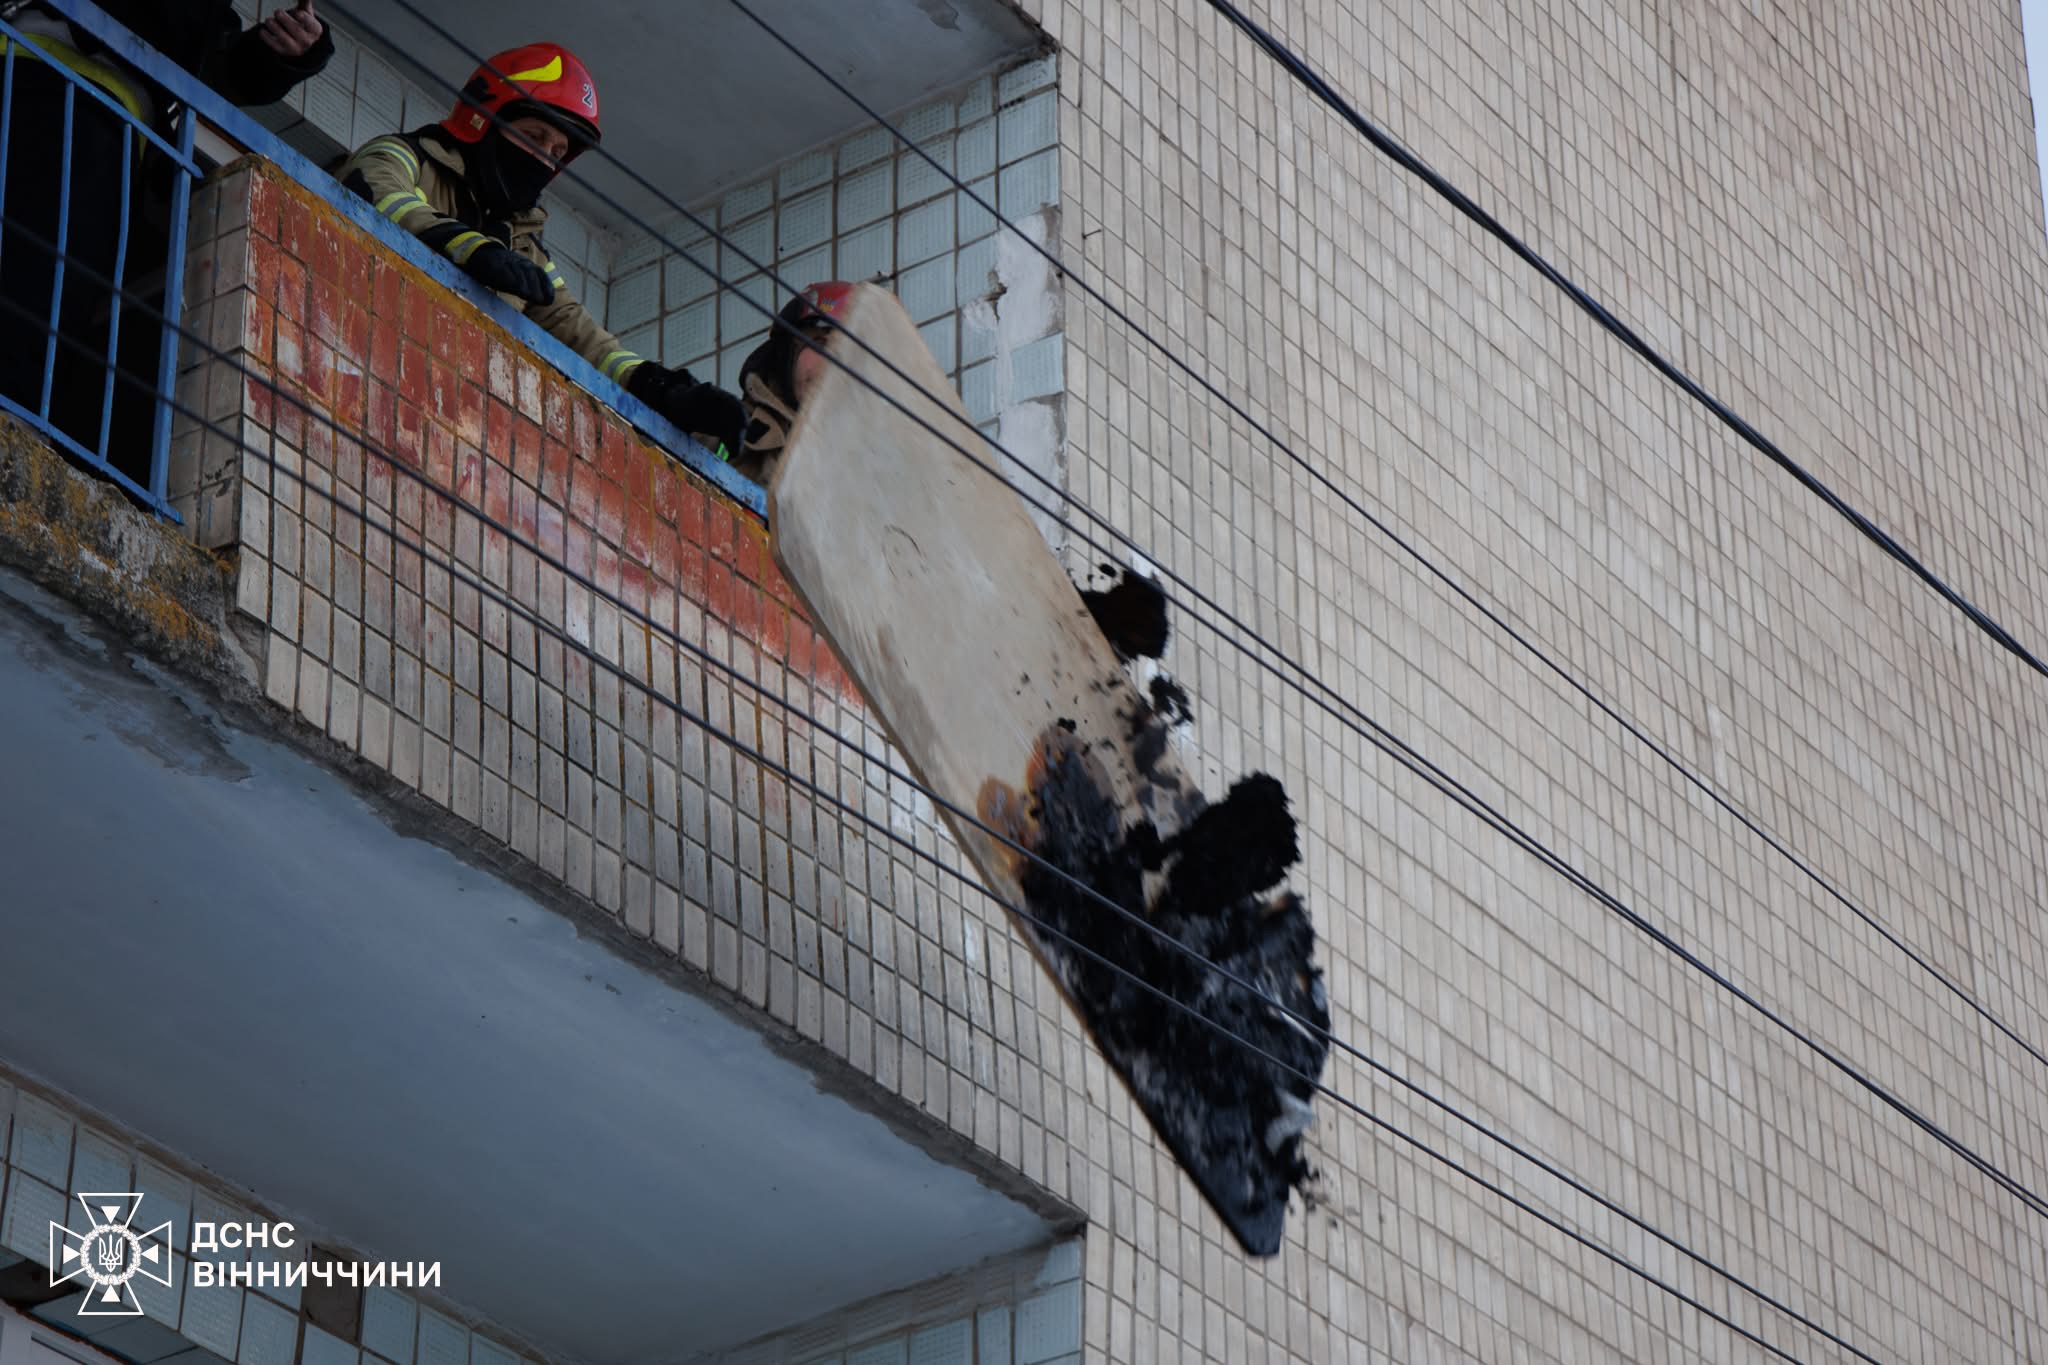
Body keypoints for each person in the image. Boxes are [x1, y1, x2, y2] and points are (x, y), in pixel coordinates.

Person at [336, 42, 745, 461]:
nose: (543, 160)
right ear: (484, 119)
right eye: (533, 137)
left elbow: (583, 339)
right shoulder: (408, 156)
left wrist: (664, 390)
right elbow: (376, 189)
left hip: (441, 424)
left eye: (557, 153)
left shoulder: (524, 249)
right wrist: (471, 249)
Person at [0, 0, 333, 475]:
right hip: (45, 86)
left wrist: (280, 55)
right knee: (36, 275)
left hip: (102, 122)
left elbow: (213, 68)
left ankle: (15, 418)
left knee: (51, 287)